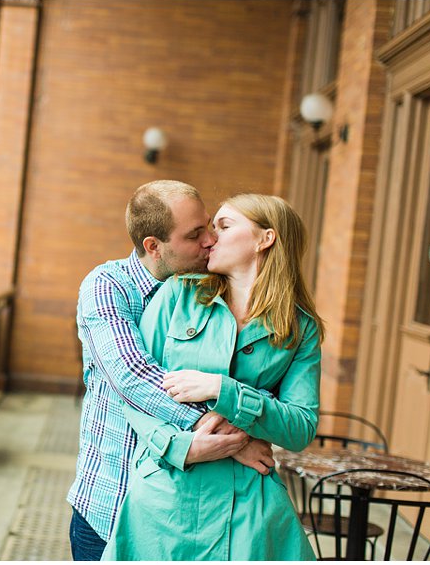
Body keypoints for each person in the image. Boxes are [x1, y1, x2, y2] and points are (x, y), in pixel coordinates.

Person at [101, 193, 323, 560]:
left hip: (249, 503)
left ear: (264, 239)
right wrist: (181, 446)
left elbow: (300, 427)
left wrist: (226, 391)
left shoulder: (300, 327)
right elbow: (134, 393)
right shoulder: (179, 294)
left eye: (223, 226)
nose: (210, 239)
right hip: (166, 491)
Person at [67, 181, 277, 561]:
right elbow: (132, 376)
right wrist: (235, 435)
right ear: (154, 246)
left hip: (186, 521)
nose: (211, 240)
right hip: (113, 503)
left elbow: (259, 380)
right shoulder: (108, 286)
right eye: (195, 235)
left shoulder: (214, 291)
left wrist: (242, 411)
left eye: (211, 227)